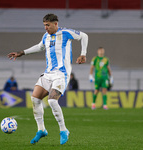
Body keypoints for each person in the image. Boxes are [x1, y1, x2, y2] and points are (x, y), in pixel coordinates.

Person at [8, 14, 88, 145]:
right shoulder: (46, 36)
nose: (46, 28)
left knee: (52, 101)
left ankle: (63, 130)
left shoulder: (66, 33)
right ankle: (41, 130)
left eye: (48, 25)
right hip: (48, 74)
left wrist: (83, 54)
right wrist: (21, 53)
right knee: (35, 98)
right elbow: (40, 47)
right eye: (44, 25)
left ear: (55, 24)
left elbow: (84, 36)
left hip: (61, 74)